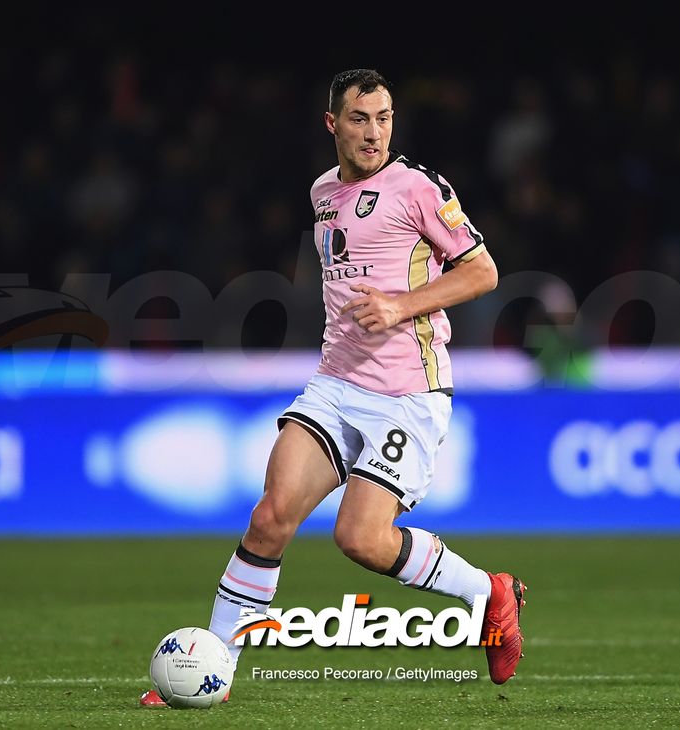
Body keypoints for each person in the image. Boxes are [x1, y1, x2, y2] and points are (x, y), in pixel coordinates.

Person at [140, 69, 526, 706]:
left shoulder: (418, 187)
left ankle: (487, 592)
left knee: (360, 540)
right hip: (335, 384)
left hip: (408, 393)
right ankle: (216, 669)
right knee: (269, 519)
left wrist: (403, 306)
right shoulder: (322, 192)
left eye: (384, 117)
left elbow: (482, 272)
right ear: (332, 125)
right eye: (360, 118)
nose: (375, 132)